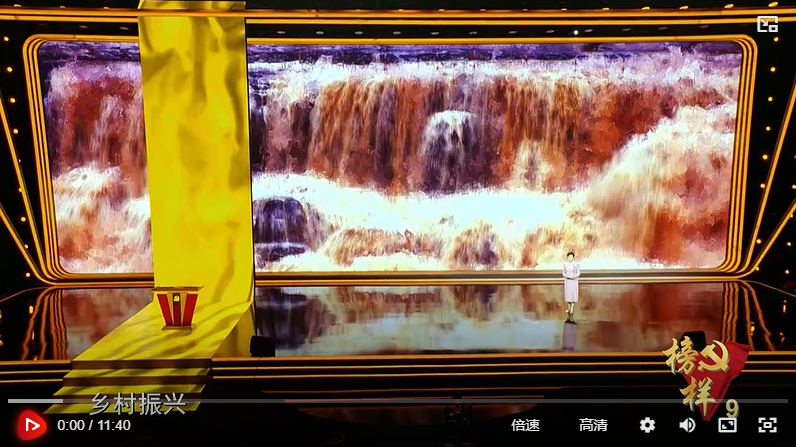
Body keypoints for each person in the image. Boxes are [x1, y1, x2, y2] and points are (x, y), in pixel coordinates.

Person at [562, 251, 580, 319]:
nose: (570, 258)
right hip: (567, 281)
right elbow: (563, 272)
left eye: (571, 257)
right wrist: (566, 276)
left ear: (573, 257)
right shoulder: (565, 264)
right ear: (567, 257)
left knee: (573, 294)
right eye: (569, 257)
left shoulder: (576, 264)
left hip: (573, 281)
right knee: (568, 294)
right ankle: (569, 307)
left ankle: (572, 307)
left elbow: (578, 272)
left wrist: (574, 276)